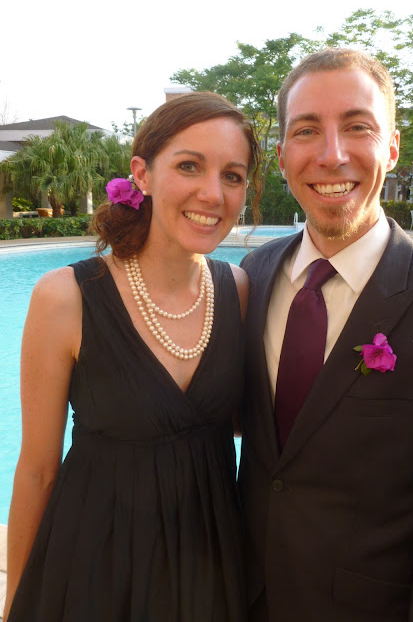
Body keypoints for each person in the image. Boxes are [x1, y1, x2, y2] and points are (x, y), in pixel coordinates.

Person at [239, 48, 413, 621]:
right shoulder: (250, 277)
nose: (332, 154)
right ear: (282, 155)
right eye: (306, 130)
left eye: (357, 127)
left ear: (391, 148)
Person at [4, 92, 262, 622]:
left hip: (209, 566)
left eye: (232, 176)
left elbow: (241, 424)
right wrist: (14, 603)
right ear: (142, 174)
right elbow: (37, 470)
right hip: (97, 565)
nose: (213, 193)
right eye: (189, 166)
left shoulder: (236, 289)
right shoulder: (66, 297)